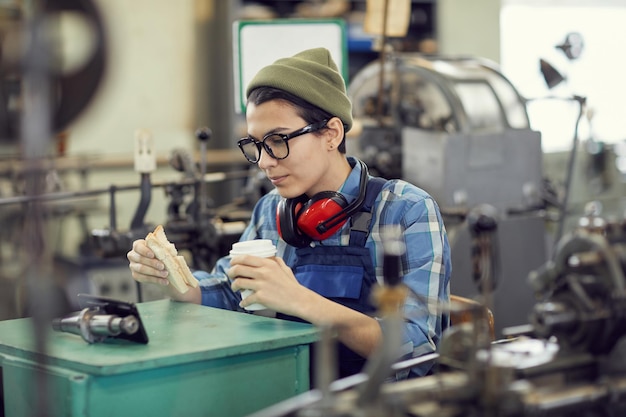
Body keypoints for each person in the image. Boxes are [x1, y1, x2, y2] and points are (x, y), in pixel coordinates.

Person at [127, 47, 451, 379]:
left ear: (331, 133)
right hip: (293, 393)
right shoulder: (272, 210)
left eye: (278, 140)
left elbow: (417, 347)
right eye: (256, 144)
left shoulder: (404, 209)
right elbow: (230, 290)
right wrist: (175, 281)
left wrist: (300, 300)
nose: (265, 161)